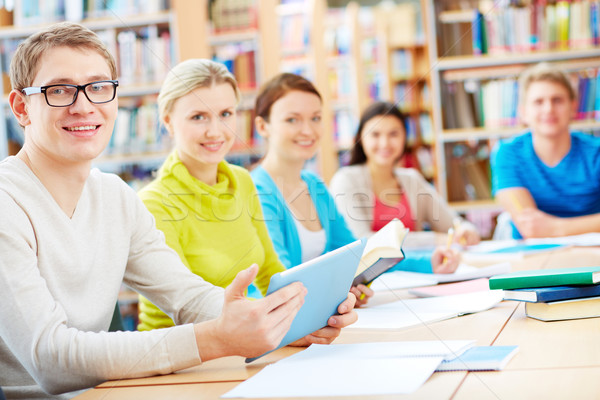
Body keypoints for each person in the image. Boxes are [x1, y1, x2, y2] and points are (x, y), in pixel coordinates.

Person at [0, 23, 355, 400]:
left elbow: (187, 297)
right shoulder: (8, 202)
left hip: (107, 393)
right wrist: (213, 339)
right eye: (59, 90)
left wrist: (289, 321)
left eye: (99, 87)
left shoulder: (115, 196)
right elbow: (50, 360)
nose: (84, 105)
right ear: (22, 107)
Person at [137, 59, 351, 328]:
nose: (215, 131)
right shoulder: (154, 203)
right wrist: (276, 320)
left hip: (242, 340)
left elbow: (271, 274)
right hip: (185, 357)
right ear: (168, 122)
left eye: (226, 114)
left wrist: (319, 312)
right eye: (198, 117)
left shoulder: (241, 181)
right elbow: (185, 307)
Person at [251, 74, 460, 305]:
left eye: (316, 118)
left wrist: (427, 262)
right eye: (292, 120)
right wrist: (337, 292)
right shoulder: (256, 191)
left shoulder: (314, 185)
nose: (308, 130)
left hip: (314, 317)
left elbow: (356, 255)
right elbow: (279, 281)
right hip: (281, 325)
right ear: (262, 126)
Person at [330, 101, 480, 245]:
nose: (385, 143)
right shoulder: (345, 180)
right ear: (361, 139)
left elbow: (454, 224)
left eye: (393, 134)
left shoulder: (412, 179)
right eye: (375, 134)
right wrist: (434, 240)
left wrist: (465, 230)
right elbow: (361, 241)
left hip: (419, 268)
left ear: (404, 138)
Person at [491, 62, 600, 239]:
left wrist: (555, 228)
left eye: (557, 100)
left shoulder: (596, 153)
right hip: (530, 257)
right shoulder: (507, 154)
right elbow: (531, 228)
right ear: (523, 113)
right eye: (538, 102)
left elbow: (543, 228)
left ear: (573, 107)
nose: (548, 109)